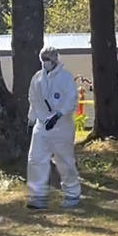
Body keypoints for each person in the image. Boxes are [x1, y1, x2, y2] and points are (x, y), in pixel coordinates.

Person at [26, 47, 81, 210]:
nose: (46, 63)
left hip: (61, 127)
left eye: (48, 59)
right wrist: (31, 121)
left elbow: (71, 100)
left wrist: (58, 116)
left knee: (64, 161)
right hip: (41, 127)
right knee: (36, 160)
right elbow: (33, 100)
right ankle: (38, 196)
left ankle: (72, 194)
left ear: (56, 60)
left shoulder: (65, 78)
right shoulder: (37, 78)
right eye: (43, 59)